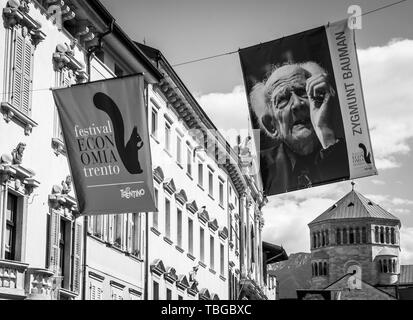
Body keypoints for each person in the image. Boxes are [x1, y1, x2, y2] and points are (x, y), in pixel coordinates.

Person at [253, 62, 349, 195]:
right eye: (282, 99)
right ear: (271, 125)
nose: (297, 104)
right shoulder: (259, 167)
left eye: (302, 92)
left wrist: (326, 135)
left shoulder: (350, 152)